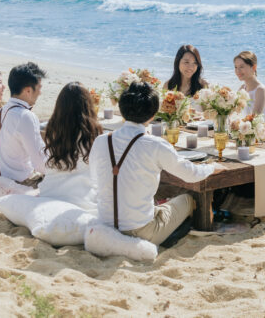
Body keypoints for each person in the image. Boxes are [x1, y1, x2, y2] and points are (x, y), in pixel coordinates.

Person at [90, 81, 222, 245]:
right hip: (140, 232)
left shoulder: (101, 141)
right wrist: (212, 167)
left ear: (122, 111)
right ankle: (171, 236)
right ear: (153, 115)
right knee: (187, 200)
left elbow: (94, 180)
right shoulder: (154, 144)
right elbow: (191, 175)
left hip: (105, 226)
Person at [38, 82, 102, 213]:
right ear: (87, 105)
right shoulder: (93, 132)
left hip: (50, 191)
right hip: (81, 195)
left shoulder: (52, 129)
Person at [0, 62, 48, 186]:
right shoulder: (25, 116)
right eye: (39, 88)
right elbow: (40, 165)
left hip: (2, 176)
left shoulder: (2, 111)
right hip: (20, 182)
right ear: (28, 90)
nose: (40, 92)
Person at [233, 50, 265, 120]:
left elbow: (254, 119)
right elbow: (233, 110)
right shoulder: (242, 88)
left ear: (253, 67)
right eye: (236, 67)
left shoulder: (260, 90)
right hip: (247, 128)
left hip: (260, 129)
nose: (238, 71)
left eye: (241, 67)